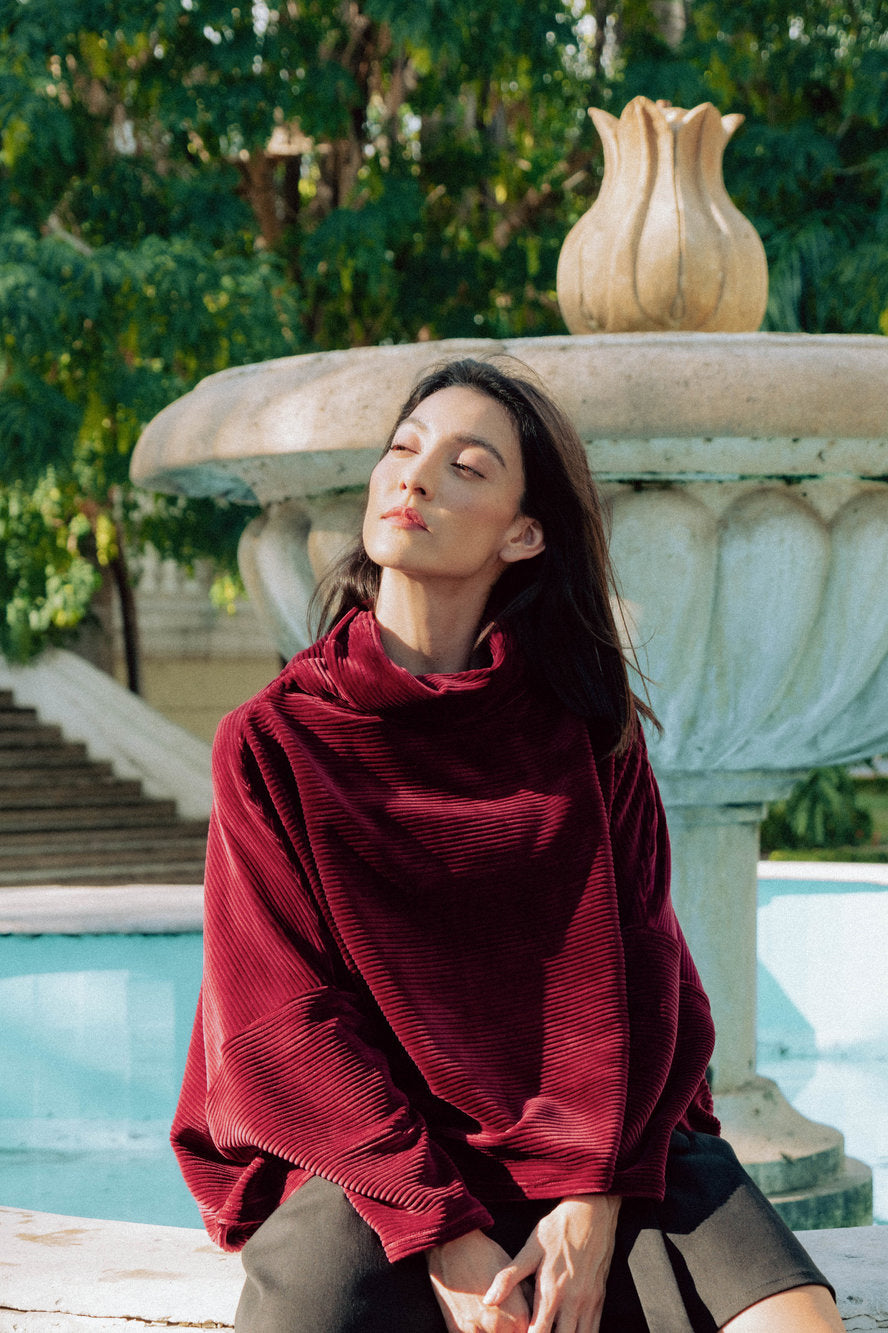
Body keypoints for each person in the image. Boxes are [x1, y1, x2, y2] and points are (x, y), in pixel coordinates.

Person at [172, 357, 842, 1332]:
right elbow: (280, 1026)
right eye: (403, 450)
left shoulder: (586, 728)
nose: (415, 476)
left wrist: (594, 1194)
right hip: (374, 1158)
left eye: (466, 466)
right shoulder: (275, 740)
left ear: (525, 533)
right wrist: (440, 1222)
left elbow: (654, 983)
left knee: (796, 1319)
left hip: (597, 1142)